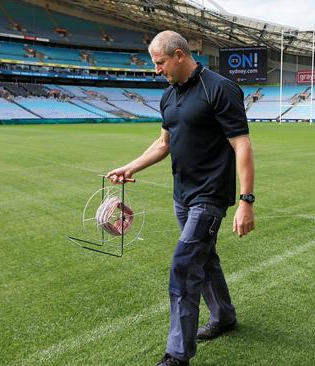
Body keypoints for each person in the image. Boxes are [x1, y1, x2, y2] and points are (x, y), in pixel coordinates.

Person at [106, 30, 255, 366]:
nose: (157, 70)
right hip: (182, 196)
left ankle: (177, 354)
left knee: (184, 266)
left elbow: (241, 144)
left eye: (159, 63)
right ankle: (224, 317)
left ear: (178, 55)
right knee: (204, 258)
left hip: (210, 195)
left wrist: (246, 200)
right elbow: (163, 144)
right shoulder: (169, 96)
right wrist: (130, 167)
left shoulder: (219, 88)